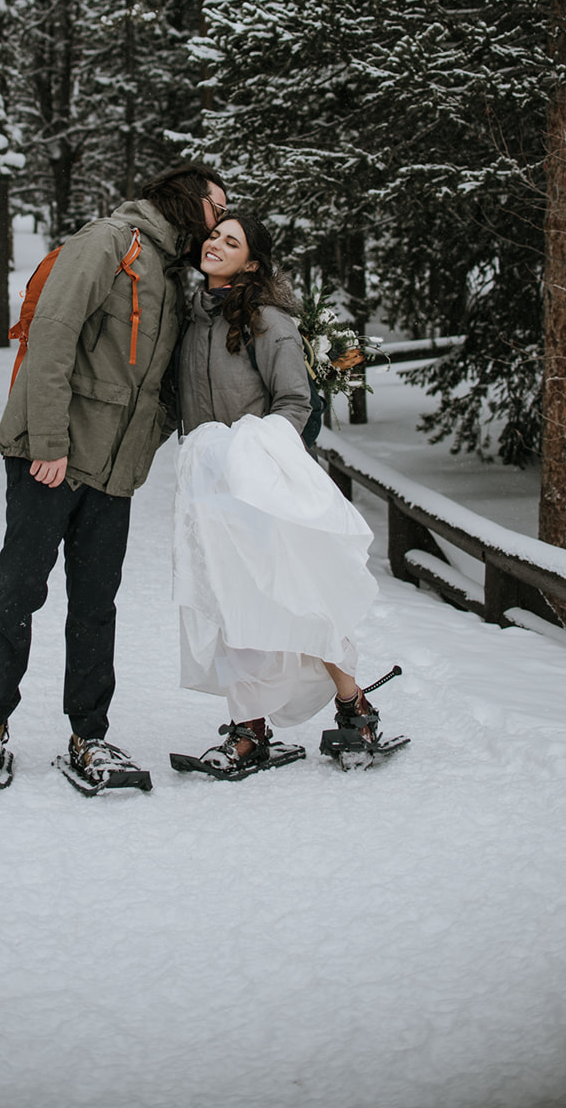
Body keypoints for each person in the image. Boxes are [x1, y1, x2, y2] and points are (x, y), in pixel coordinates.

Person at [0, 162, 228, 793]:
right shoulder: (107, 242)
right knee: (21, 591)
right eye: (215, 207)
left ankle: (89, 735)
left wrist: (145, 446)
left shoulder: (179, 278)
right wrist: (47, 441)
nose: (219, 221)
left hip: (113, 470)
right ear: (184, 200)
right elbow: (52, 338)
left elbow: (170, 384)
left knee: (96, 605)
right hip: (52, 456)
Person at [171, 212, 394, 779]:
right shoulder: (193, 319)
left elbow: (295, 403)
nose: (216, 244)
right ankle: (250, 730)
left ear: (251, 262)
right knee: (229, 604)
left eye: (232, 240)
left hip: (264, 485)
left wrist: (252, 459)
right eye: (213, 235)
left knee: (299, 597)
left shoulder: (269, 322)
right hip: (210, 491)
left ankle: (355, 705)